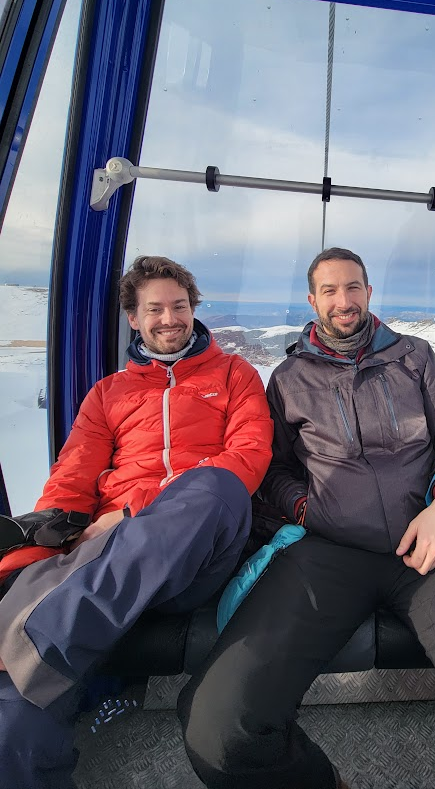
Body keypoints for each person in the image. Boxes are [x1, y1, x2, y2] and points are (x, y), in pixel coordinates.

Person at [178, 248, 435, 789]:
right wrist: (307, 508)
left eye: (353, 287)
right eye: (329, 290)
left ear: (369, 293)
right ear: (313, 301)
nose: (343, 300)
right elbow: (274, 468)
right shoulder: (291, 377)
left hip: (430, 548)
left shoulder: (414, 357)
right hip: (327, 553)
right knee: (219, 726)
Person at [0, 255, 274, 789]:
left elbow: (246, 458)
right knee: (13, 724)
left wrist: (132, 511)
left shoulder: (234, 375)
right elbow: (70, 485)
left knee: (215, 485)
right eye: (155, 309)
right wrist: (26, 562)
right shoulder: (108, 394)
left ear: (193, 308)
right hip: (110, 550)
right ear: (133, 317)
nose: (170, 318)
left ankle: (41, 641)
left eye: (180, 306)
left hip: (198, 545)